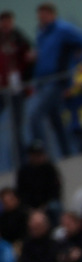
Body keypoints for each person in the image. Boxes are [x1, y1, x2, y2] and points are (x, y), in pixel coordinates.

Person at [27, 3, 82, 159]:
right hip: (42, 82)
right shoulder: (41, 33)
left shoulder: (63, 29)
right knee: (56, 121)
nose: (41, 18)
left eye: (44, 15)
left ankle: (40, 155)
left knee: (34, 115)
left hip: (57, 80)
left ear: (52, 14)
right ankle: (67, 154)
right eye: (40, 16)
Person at [0, 12, 33, 168]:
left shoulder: (19, 38)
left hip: (16, 87)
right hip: (2, 87)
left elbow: (29, 58)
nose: (7, 24)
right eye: (4, 21)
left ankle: (22, 161)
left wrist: (26, 81)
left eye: (9, 21)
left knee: (18, 126)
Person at [15, 139, 61, 214]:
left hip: (48, 203)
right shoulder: (24, 172)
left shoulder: (49, 168)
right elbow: (21, 192)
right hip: (30, 206)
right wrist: (31, 207)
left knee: (54, 206)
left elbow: (55, 189)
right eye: (35, 155)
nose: (38, 157)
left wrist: (44, 205)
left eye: (40, 154)